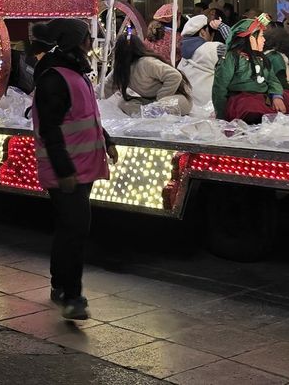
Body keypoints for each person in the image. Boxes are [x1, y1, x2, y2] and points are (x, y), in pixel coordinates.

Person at [30, 18, 116, 321]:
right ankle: (72, 296)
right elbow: (50, 130)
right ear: (77, 43)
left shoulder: (76, 73)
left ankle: (60, 286)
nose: (92, 44)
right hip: (67, 171)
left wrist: (107, 141)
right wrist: (64, 171)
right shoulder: (55, 78)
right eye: (88, 39)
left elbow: (87, 115)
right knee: (76, 230)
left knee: (69, 230)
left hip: (79, 167)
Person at [213, 15, 289, 122]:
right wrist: (221, 116)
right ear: (250, 38)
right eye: (261, 36)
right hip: (241, 100)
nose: (264, 40)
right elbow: (219, 87)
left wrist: (277, 96)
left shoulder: (262, 58)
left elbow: (273, 80)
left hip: (262, 97)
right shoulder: (231, 57)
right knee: (250, 107)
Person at [106, 35, 191, 116]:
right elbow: (105, 88)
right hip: (152, 101)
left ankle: (148, 113)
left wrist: (160, 99)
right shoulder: (121, 70)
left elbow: (175, 76)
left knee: (161, 106)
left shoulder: (146, 62)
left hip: (176, 99)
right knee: (123, 103)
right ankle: (147, 114)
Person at [175, 14, 223, 115]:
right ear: (203, 32)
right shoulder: (213, 49)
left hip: (190, 110)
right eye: (210, 33)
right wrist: (222, 27)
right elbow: (237, 50)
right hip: (211, 110)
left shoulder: (183, 58)